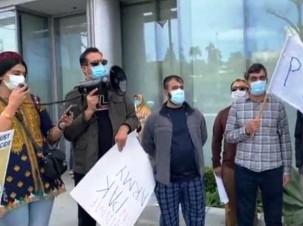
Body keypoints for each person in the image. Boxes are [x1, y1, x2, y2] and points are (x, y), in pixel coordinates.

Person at [63, 47, 139, 226]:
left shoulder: (117, 91)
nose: (100, 66)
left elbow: (134, 117)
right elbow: (69, 133)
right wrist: (88, 111)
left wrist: (125, 128)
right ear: (84, 68)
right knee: (87, 219)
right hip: (87, 167)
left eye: (103, 62)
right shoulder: (74, 96)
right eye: (94, 63)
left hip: (116, 165)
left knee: (118, 217)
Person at [0, 51, 73, 226]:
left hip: (42, 180)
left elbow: (49, 136)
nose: (21, 78)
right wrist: (12, 106)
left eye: (23, 74)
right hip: (10, 186)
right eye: (15, 74)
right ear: (1, 75)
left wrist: (61, 126)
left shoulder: (33, 100)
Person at [225, 63, 292, 226]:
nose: (258, 81)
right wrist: (246, 130)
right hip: (246, 169)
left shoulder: (277, 105)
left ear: (267, 79)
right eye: (254, 78)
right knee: (245, 216)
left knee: (274, 215)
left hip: (272, 169)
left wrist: (287, 169)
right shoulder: (237, 105)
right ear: (247, 82)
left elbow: (285, 138)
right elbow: (228, 136)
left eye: (262, 78)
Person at [141, 75, 208, 226]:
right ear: (166, 91)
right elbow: (147, 144)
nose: (179, 91)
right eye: (175, 88)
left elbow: (202, 138)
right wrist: (161, 158)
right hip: (167, 181)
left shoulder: (195, 115)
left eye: (181, 88)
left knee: (197, 219)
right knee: (169, 221)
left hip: (193, 178)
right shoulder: (155, 117)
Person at [212, 78, 260, 226]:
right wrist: (216, 164)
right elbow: (216, 140)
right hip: (230, 168)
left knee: (249, 206)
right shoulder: (223, 114)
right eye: (235, 89)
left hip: (252, 168)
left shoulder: (257, 114)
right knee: (231, 207)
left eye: (242, 88)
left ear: (249, 91)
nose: (238, 91)